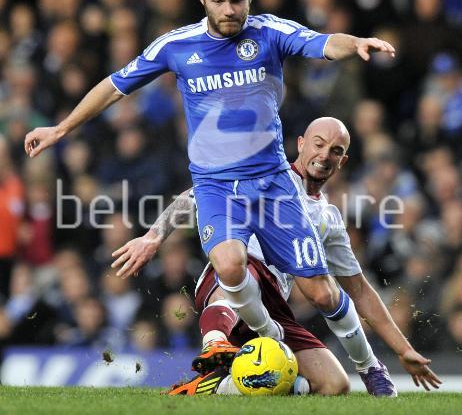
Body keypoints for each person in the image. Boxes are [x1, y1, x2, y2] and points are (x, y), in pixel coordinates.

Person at [26, 0, 397, 392]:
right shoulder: (176, 46)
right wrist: (62, 128)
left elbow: (322, 43)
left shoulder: (269, 33)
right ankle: (268, 338)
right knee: (229, 263)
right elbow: (114, 86)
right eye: (218, 0)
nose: (229, 10)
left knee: (319, 292)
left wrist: (355, 44)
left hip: (273, 183)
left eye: (237, 0)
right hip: (216, 185)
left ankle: (369, 368)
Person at [112, 117, 441, 396]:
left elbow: (360, 290)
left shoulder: (328, 219)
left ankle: (217, 386)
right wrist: (153, 236)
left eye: (335, 151)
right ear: (301, 144)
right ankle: (214, 342)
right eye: (318, 144)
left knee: (334, 385)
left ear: (343, 161)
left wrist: (404, 349)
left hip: (274, 310)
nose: (324, 155)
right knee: (240, 270)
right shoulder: (263, 175)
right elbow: (194, 196)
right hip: (229, 278)